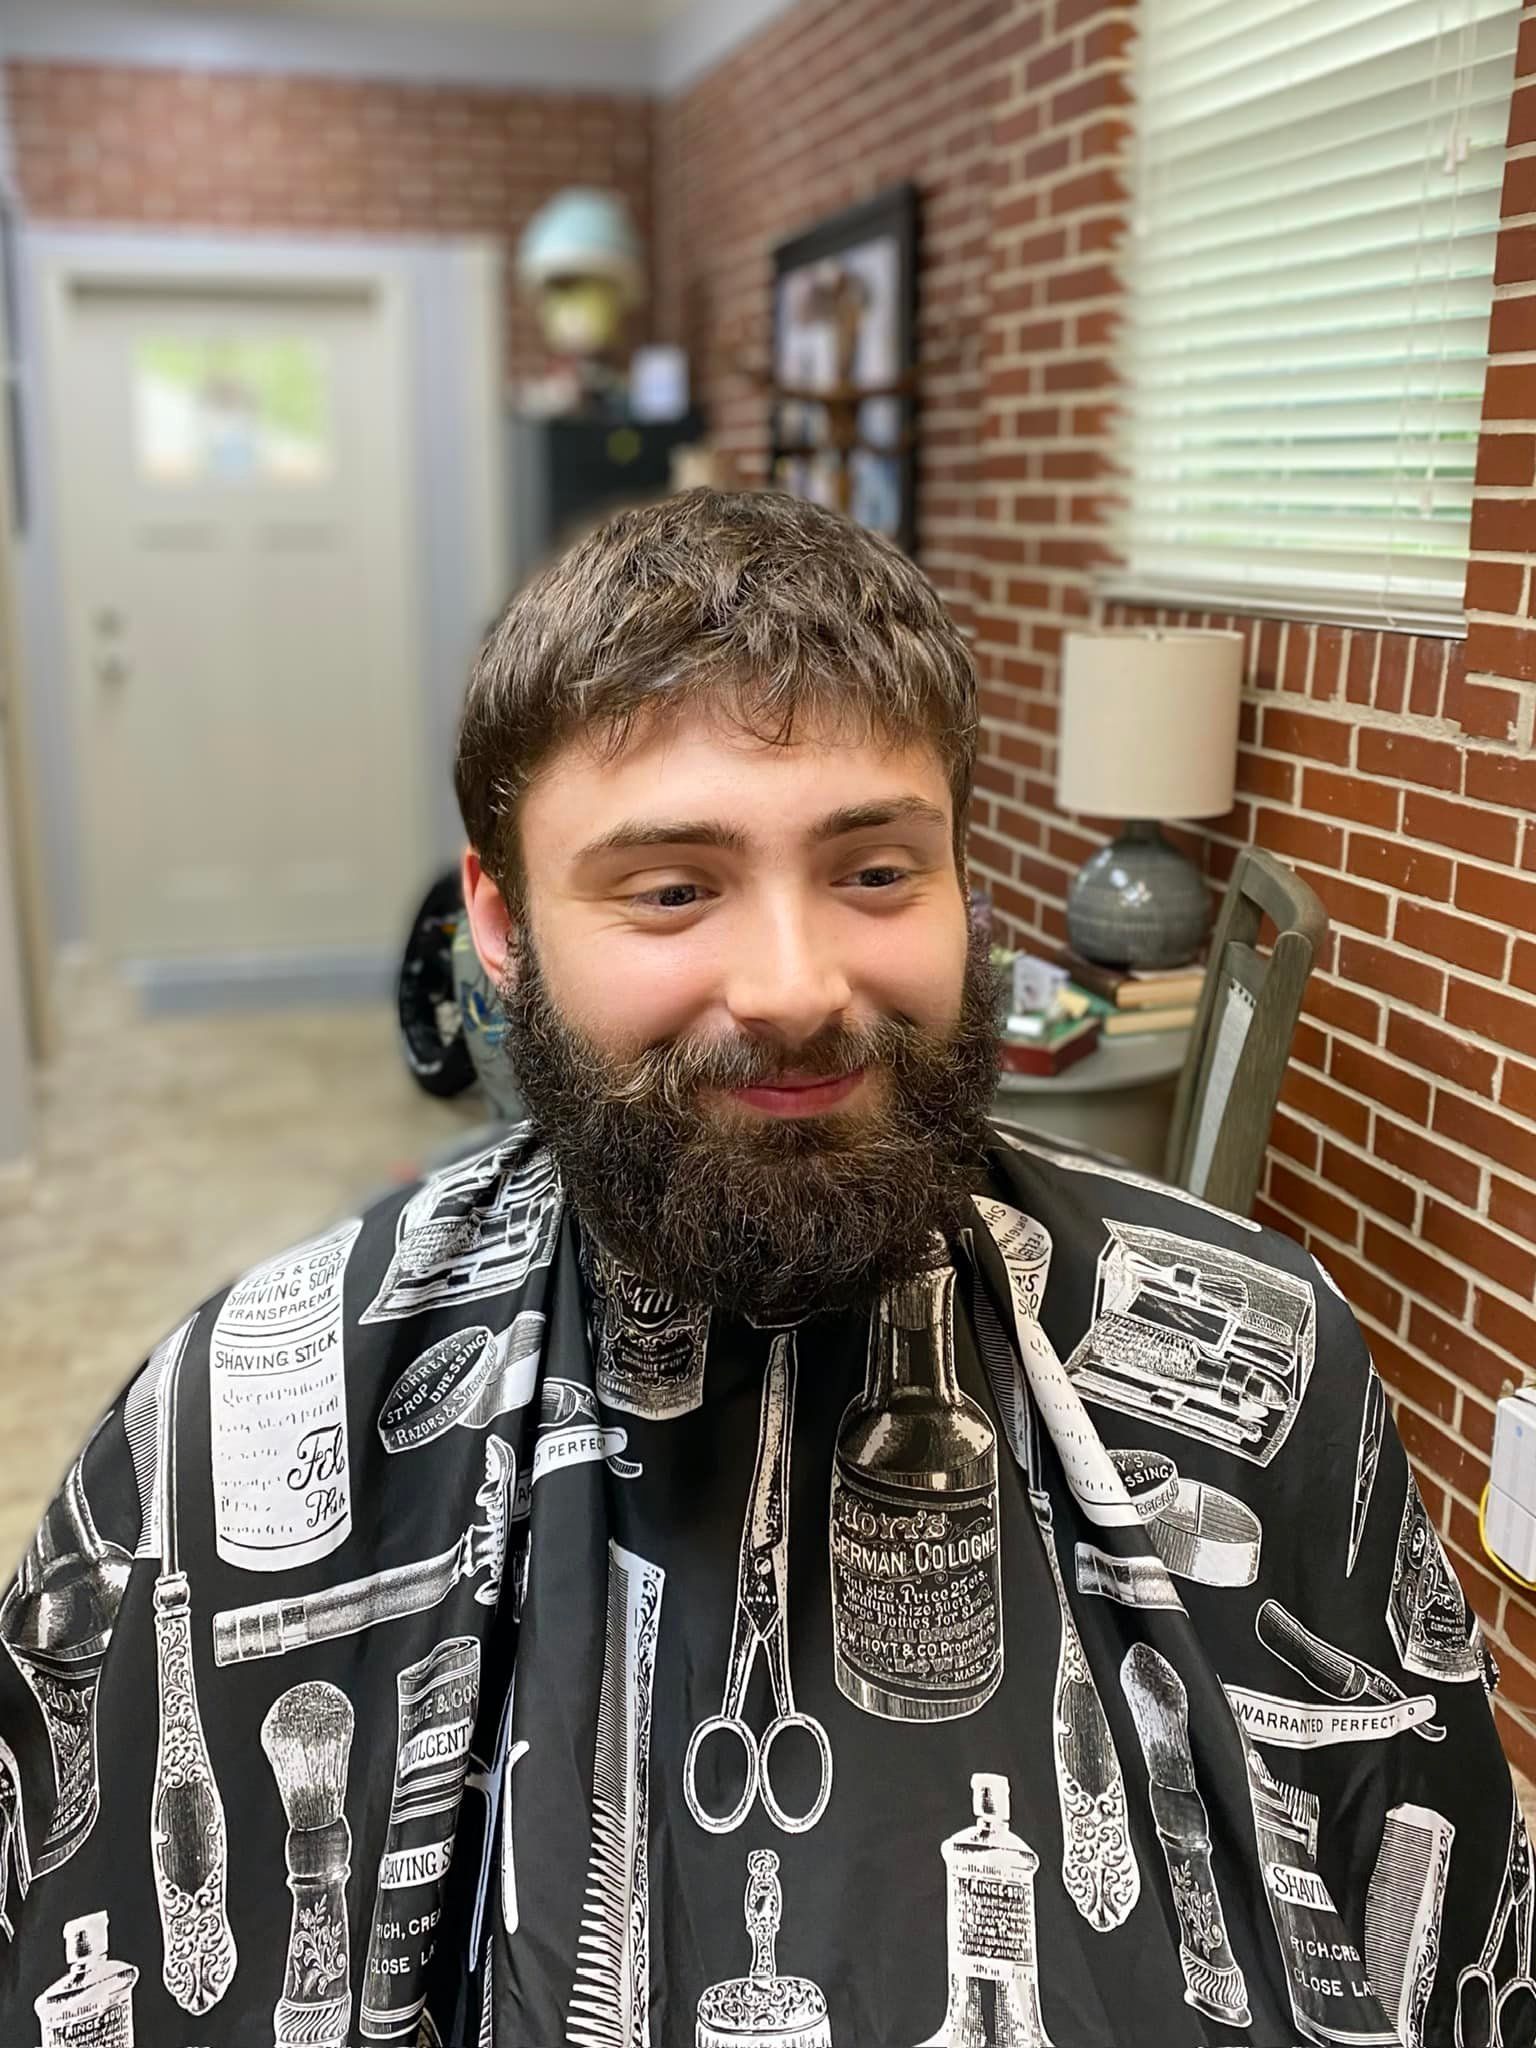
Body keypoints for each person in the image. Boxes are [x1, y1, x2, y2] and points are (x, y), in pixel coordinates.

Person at [0, 488, 1525, 2048]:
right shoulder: (238, 1409)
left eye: (874, 872)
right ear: (503, 922)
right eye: (672, 888)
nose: (795, 988)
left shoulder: (1271, 1362)